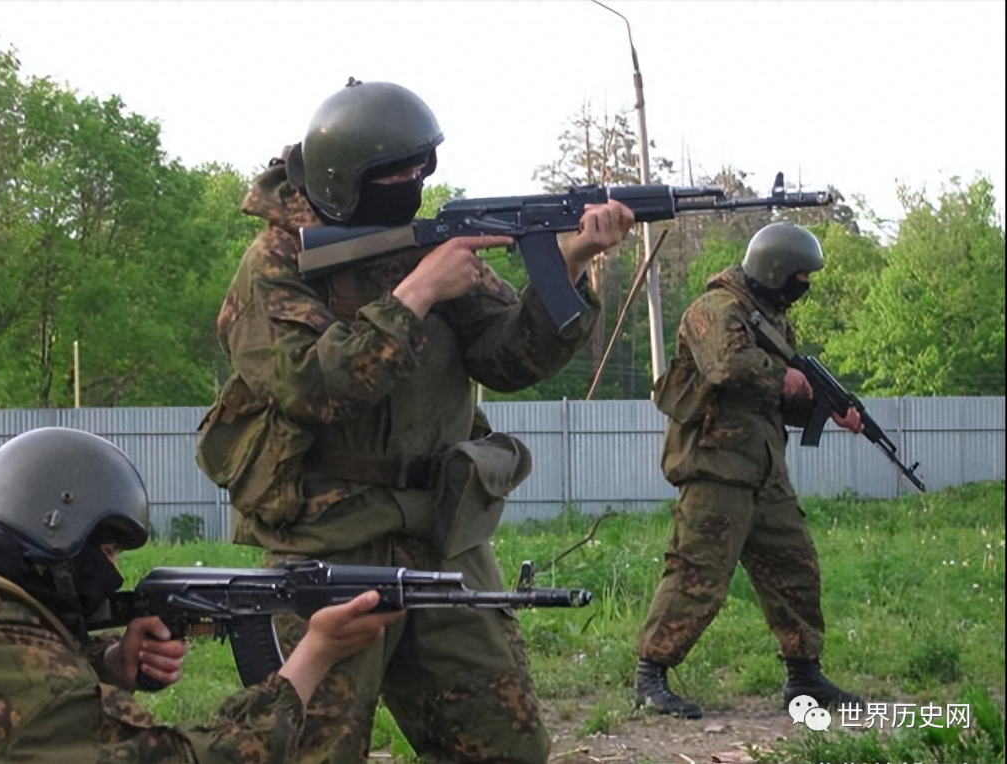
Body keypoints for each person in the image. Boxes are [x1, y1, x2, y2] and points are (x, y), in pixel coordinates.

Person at [196, 78, 635, 764]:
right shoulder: (277, 263)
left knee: (506, 745)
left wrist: (570, 264)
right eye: (393, 173)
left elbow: (507, 359)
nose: (412, 183)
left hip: (444, 531)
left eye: (420, 168)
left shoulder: (422, 241)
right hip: (332, 540)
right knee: (313, 749)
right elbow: (312, 389)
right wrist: (419, 292)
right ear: (345, 178)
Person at [0, 426, 402, 764]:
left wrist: (108, 663)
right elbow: (192, 757)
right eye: (107, 552)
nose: (115, 574)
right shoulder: (15, 670)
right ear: (56, 539)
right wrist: (316, 655)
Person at [634, 222, 864, 719]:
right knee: (697, 573)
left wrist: (825, 408)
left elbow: (776, 399)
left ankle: (804, 674)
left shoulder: (773, 320)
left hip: (765, 470)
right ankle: (650, 676)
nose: (805, 286)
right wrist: (788, 378)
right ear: (776, 270)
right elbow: (727, 368)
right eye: (800, 276)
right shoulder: (716, 309)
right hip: (716, 466)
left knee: (795, 568)